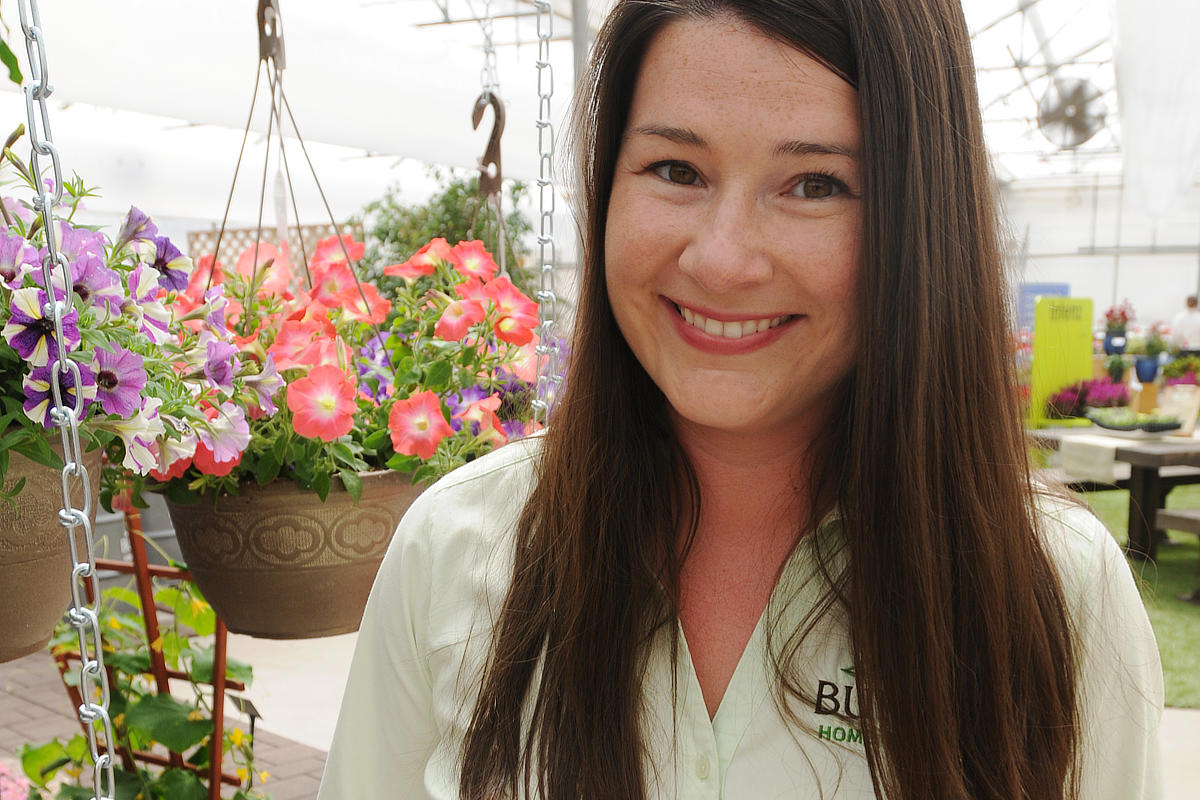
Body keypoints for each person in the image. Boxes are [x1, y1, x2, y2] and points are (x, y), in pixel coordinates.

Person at [318, 1, 1163, 798]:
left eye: (816, 184)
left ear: (921, 219)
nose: (723, 261)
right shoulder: (459, 544)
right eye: (676, 169)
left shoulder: (1052, 587)